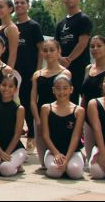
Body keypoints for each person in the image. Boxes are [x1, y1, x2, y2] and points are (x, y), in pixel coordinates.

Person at [30, 39, 71, 167]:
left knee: (60, 156)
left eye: (52, 50)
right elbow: (32, 100)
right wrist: (37, 120)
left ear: (59, 51)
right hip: (41, 118)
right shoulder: (37, 75)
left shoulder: (65, 73)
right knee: (44, 164)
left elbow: (67, 98)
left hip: (60, 117)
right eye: (45, 50)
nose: (48, 53)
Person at [14, 0, 44, 153]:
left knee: (29, 104)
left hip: (30, 72)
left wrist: (37, 71)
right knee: (17, 105)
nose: (19, 5)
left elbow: (41, 50)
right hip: (15, 74)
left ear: (27, 5)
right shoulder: (13, 27)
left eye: (22, 3)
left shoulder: (34, 26)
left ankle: (33, 137)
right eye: (16, 3)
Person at [81, 35, 105, 159]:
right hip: (87, 116)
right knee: (90, 160)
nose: (95, 49)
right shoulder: (88, 68)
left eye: (99, 46)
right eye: (92, 46)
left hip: (104, 116)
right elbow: (84, 94)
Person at [42, 74, 85, 179]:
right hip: (53, 152)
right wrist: (56, 154)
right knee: (54, 171)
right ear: (53, 90)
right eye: (58, 89)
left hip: (73, 152)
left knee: (75, 173)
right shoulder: (46, 108)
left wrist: (67, 158)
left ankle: (77, 161)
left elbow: (76, 136)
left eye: (65, 88)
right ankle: (62, 167)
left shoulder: (78, 110)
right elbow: (45, 135)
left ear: (71, 90)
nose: (61, 92)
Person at [55, 0, 93, 104]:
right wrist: (60, 58)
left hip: (80, 66)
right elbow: (56, 45)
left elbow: (82, 43)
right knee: (68, 99)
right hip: (63, 68)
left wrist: (69, 59)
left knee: (85, 99)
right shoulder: (60, 24)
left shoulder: (83, 19)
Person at [0, 74, 27, 177]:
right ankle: (11, 163)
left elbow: (17, 134)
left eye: (10, 86)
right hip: (0, 148)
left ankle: (17, 166)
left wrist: (6, 154)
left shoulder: (19, 109)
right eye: (4, 85)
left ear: (15, 89)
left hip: (16, 148)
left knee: (5, 169)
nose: (6, 88)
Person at [0, 0, 20, 68]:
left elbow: (13, 55)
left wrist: (7, 74)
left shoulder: (12, 28)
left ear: (10, 9)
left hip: (5, 69)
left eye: (1, 7)